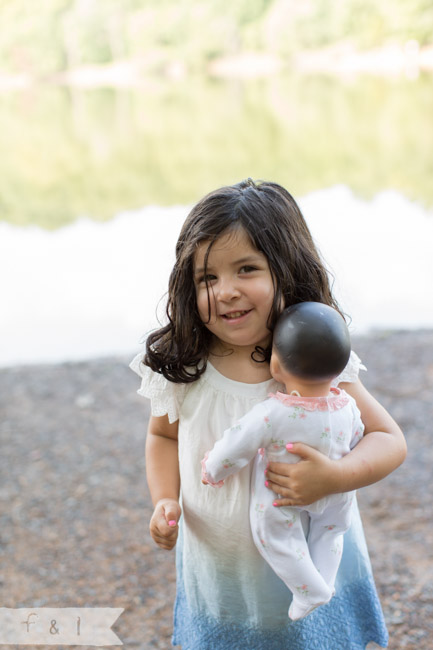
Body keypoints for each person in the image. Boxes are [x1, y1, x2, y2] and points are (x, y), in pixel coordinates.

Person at [130, 179, 406, 649]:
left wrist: (336, 477)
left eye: (246, 269)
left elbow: (389, 439)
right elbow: (164, 438)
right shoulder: (187, 365)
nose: (227, 291)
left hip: (312, 563)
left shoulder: (312, 355)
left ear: (286, 269)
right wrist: (164, 499)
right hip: (223, 569)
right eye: (208, 278)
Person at [201, 301, 364, 621]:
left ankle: (309, 589)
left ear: (276, 365)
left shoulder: (274, 413)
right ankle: (324, 582)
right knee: (330, 532)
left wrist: (213, 468)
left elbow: (237, 443)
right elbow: (357, 435)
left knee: (276, 536)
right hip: (337, 489)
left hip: (282, 494)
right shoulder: (348, 405)